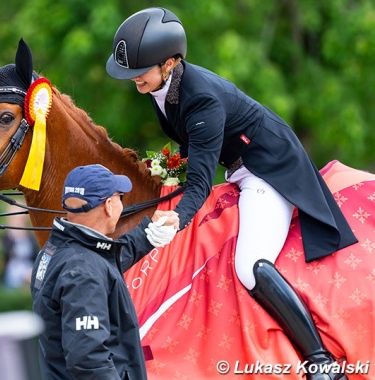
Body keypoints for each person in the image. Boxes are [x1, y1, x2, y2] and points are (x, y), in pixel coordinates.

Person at [106, 7, 357, 380]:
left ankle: (320, 360)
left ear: (171, 62)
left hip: (267, 171)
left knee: (249, 264)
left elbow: (201, 182)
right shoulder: (158, 85)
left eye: (139, 71)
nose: (133, 79)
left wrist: (177, 219)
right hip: (238, 167)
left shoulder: (200, 99)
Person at [30, 164, 178, 380]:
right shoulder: (82, 271)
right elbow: (89, 362)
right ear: (109, 205)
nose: (122, 202)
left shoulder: (57, 250)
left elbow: (103, 260)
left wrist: (149, 234)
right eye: (120, 196)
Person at [0, 205, 39, 289]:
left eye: (20, 218)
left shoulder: (31, 237)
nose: (17, 221)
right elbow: (6, 254)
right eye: (14, 218)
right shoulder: (5, 237)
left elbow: (36, 256)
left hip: (29, 272)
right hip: (11, 275)